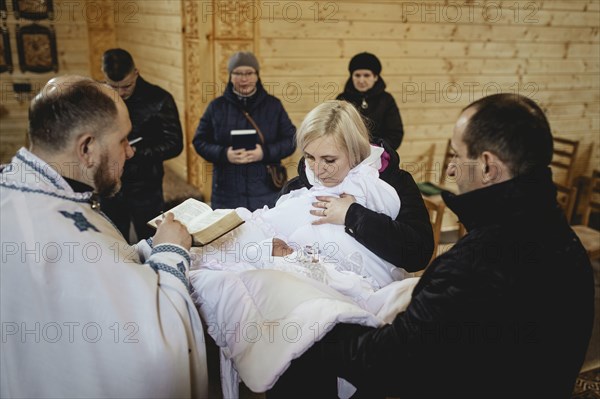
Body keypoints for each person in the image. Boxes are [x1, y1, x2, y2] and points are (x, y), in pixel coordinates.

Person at [267, 93, 595, 398]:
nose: (450, 168)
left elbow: (388, 359)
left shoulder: (478, 261)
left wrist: (306, 328)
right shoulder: (561, 239)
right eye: (311, 158)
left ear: (487, 166)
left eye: (456, 154)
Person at [0, 76, 208, 398]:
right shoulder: (60, 233)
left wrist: (146, 249)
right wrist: (169, 252)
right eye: (123, 140)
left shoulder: (26, 190)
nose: (130, 152)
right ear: (87, 148)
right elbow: (151, 352)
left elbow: (104, 269)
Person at [193, 51, 296, 211]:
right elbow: (199, 141)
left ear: (257, 75)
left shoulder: (273, 106)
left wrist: (264, 153)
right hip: (226, 193)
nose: (244, 78)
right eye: (238, 73)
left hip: (266, 191)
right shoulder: (217, 107)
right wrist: (224, 154)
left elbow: (291, 140)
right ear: (230, 76)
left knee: (265, 234)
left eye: (249, 73)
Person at [100, 48, 184, 242]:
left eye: (127, 86)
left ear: (136, 73)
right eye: (114, 86)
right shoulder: (98, 98)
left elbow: (175, 144)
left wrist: (138, 152)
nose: (121, 93)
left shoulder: (160, 99)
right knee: (112, 242)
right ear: (104, 77)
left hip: (146, 186)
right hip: (110, 185)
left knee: (151, 242)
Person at [336, 52, 404, 150]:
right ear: (352, 77)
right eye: (357, 75)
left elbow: (395, 134)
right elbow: (334, 130)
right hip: (348, 155)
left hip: (380, 156)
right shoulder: (342, 99)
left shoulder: (386, 100)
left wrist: (375, 150)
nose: (361, 80)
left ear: (375, 77)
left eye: (366, 75)